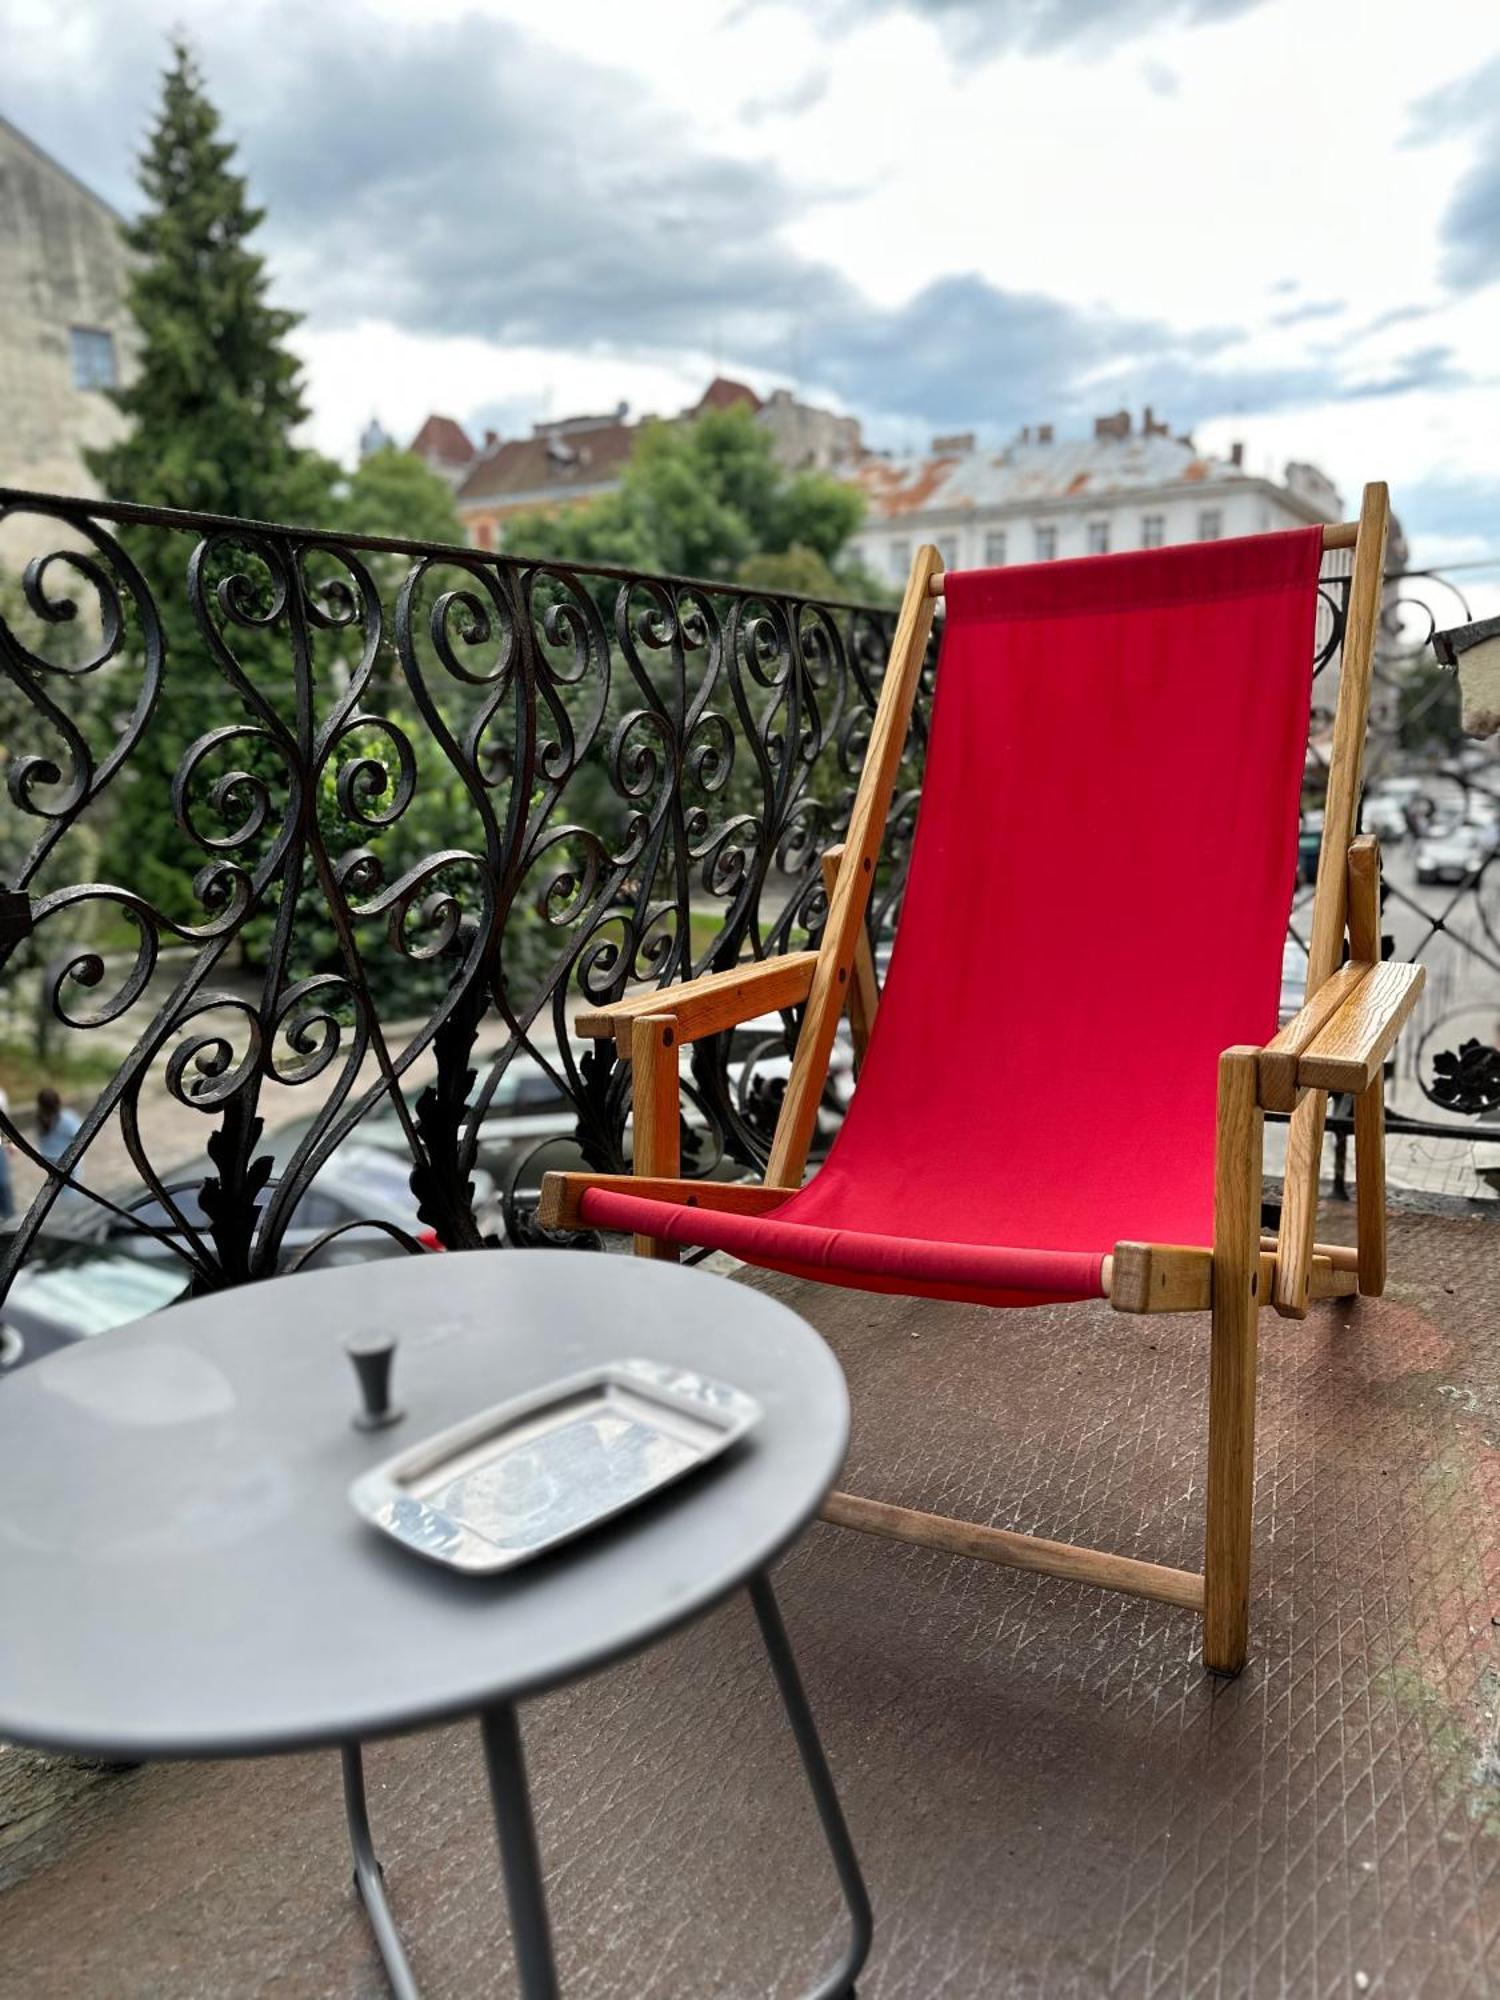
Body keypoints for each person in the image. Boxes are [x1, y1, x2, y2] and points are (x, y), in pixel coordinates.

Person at [35, 1087, 81, 1166]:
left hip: (48, 1159)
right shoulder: (66, 1117)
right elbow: (80, 1134)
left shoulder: (39, 1118)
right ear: (58, 1101)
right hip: (67, 1160)